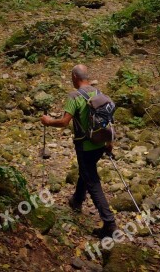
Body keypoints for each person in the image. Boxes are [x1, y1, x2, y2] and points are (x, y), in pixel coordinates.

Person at [41, 64, 117, 238]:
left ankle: (109, 223)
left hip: (85, 145)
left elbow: (63, 122)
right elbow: (107, 121)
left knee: (92, 180)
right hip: (100, 143)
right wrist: (109, 143)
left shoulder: (74, 96)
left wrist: (47, 121)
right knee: (86, 171)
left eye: (71, 77)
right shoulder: (99, 94)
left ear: (75, 77)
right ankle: (77, 200)